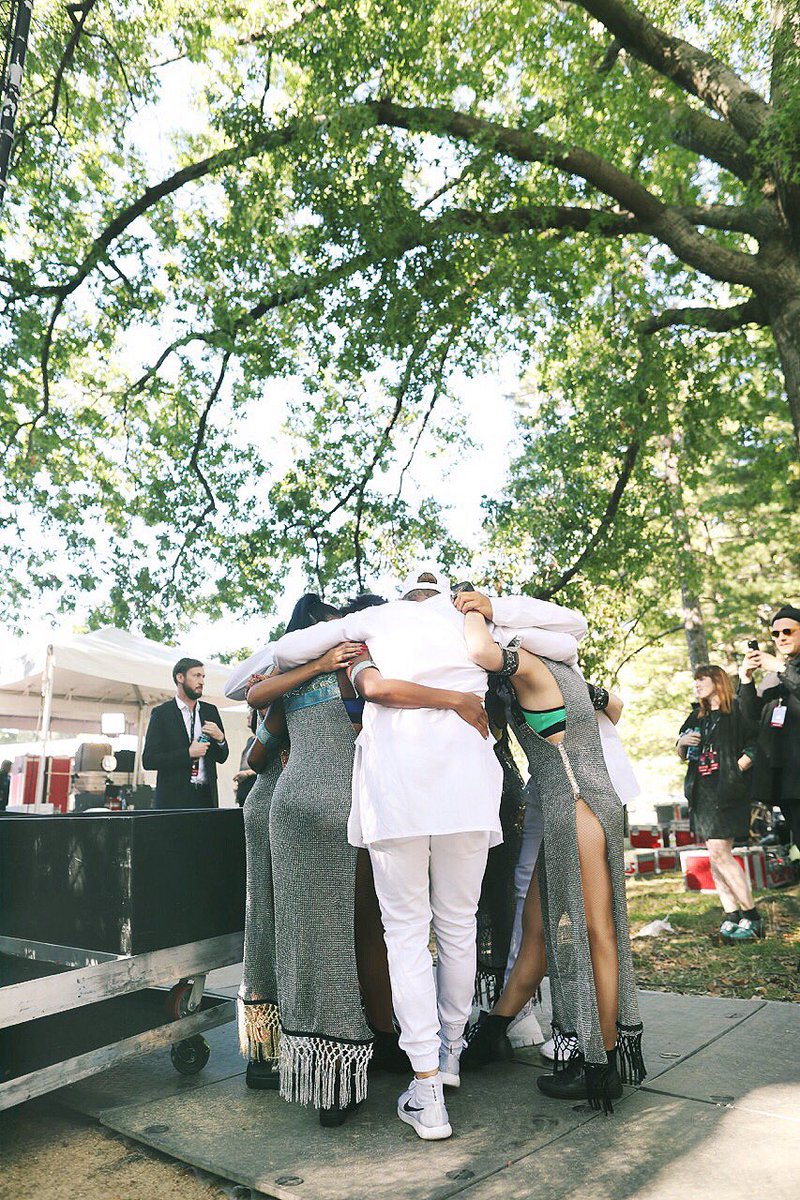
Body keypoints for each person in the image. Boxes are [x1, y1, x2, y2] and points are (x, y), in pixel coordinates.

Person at [273, 566, 587, 1140]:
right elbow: (572, 631)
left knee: (405, 934)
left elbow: (284, 652)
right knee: (458, 928)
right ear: (444, 592)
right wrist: (491, 607)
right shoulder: (470, 617)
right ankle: (449, 1056)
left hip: (398, 790)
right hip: (467, 785)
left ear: (403, 596)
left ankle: (426, 1090)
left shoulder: (376, 619)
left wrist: (337, 649)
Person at [242, 591, 491, 1128]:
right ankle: (404, 1046)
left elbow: (257, 735)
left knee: (313, 937)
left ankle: (324, 1066)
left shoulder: (302, 676)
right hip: (360, 802)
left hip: (303, 805)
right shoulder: (364, 664)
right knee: (382, 931)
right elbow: (368, 713)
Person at [454, 590, 645, 1113]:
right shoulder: (568, 676)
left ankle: (602, 1065)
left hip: (578, 804)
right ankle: (493, 1033)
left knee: (597, 931)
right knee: (538, 926)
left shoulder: (531, 666)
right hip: (571, 808)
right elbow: (614, 707)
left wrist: (473, 609)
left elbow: (480, 652)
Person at [677, 665, 760, 942]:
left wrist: (735, 770)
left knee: (721, 853)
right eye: (695, 681)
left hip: (727, 791)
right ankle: (731, 915)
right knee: (714, 855)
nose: (696, 684)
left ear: (717, 681)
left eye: (701, 679)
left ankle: (752, 917)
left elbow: (755, 745)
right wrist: (682, 742)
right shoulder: (697, 715)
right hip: (701, 792)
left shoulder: (736, 711)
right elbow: (682, 752)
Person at [739, 605, 800, 859]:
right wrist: (745, 678)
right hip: (785, 779)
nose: (781, 638)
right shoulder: (773, 676)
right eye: (775, 634)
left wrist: (781, 668)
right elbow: (751, 716)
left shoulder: (780, 670)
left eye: (788, 631)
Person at [142, 658, 229, 808]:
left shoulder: (210, 711)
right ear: (180, 677)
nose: (201, 682)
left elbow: (222, 757)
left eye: (203, 676)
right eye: (196, 676)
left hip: (205, 797)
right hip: (173, 801)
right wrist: (187, 754)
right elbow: (149, 760)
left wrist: (220, 739)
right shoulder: (162, 713)